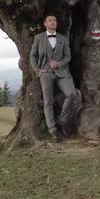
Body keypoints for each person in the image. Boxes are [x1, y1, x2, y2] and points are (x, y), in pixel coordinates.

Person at [30, 14, 80, 142]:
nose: (53, 22)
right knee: (48, 101)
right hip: (45, 73)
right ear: (45, 24)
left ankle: (62, 121)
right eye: (50, 20)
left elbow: (68, 57)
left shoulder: (63, 38)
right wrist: (37, 70)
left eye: (55, 20)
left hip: (62, 72)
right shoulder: (38, 38)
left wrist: (59, 64)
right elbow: (32, 56)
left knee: (71, 94)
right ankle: (52, 129)